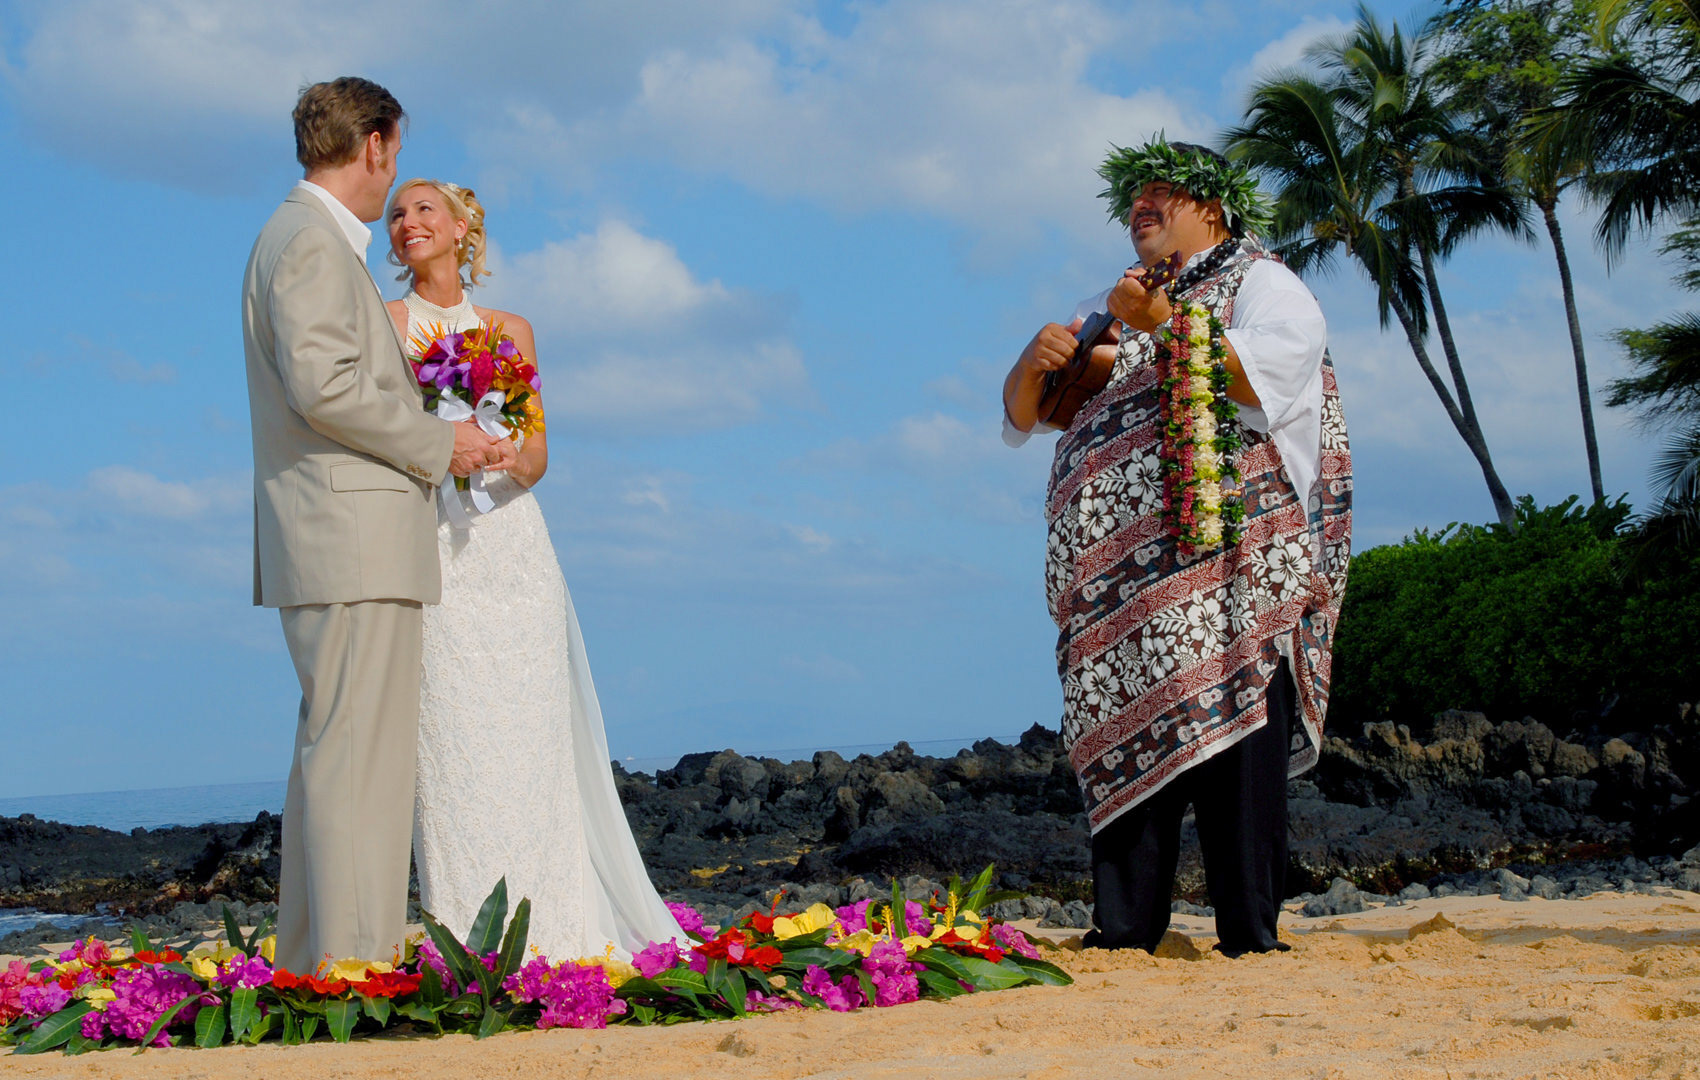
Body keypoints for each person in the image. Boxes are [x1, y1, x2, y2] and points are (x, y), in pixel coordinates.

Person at [1002, 138, 1352, 956]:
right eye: (1133, 196)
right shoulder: (1112, 296)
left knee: (1235, 742)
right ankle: (1126, 932)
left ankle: (1248, 935)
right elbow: (1033, 412)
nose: (1140, 206)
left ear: (1213, 205)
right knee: (1123, 733)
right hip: (1120, 586)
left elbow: (1255, 377)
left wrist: (1160, 323)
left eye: (1161, 191)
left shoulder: (1267, 286)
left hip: (1226, 568)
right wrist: (1033, 362)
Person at [243, 77, 515, 975]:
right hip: (351, 541)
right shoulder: (314, 245)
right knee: (358, 763)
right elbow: (324, 387)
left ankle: (316, 959)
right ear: (378, 145)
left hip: (333, 538)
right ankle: (353, 964)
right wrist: (440, 442)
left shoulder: (299, 237)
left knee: (335, 757)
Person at [385, 178, 685, 959]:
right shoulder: (385, 326)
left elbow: (541, 455)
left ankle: (553, 926)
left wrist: (504, 453)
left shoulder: (510, 329)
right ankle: (467, 940)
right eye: (394, 214)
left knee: (530, 740)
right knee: (451, 737)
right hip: (433, 541)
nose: (405, 223)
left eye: (422, 210)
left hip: (513, 550)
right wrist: (442, 450)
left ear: (460, 229)